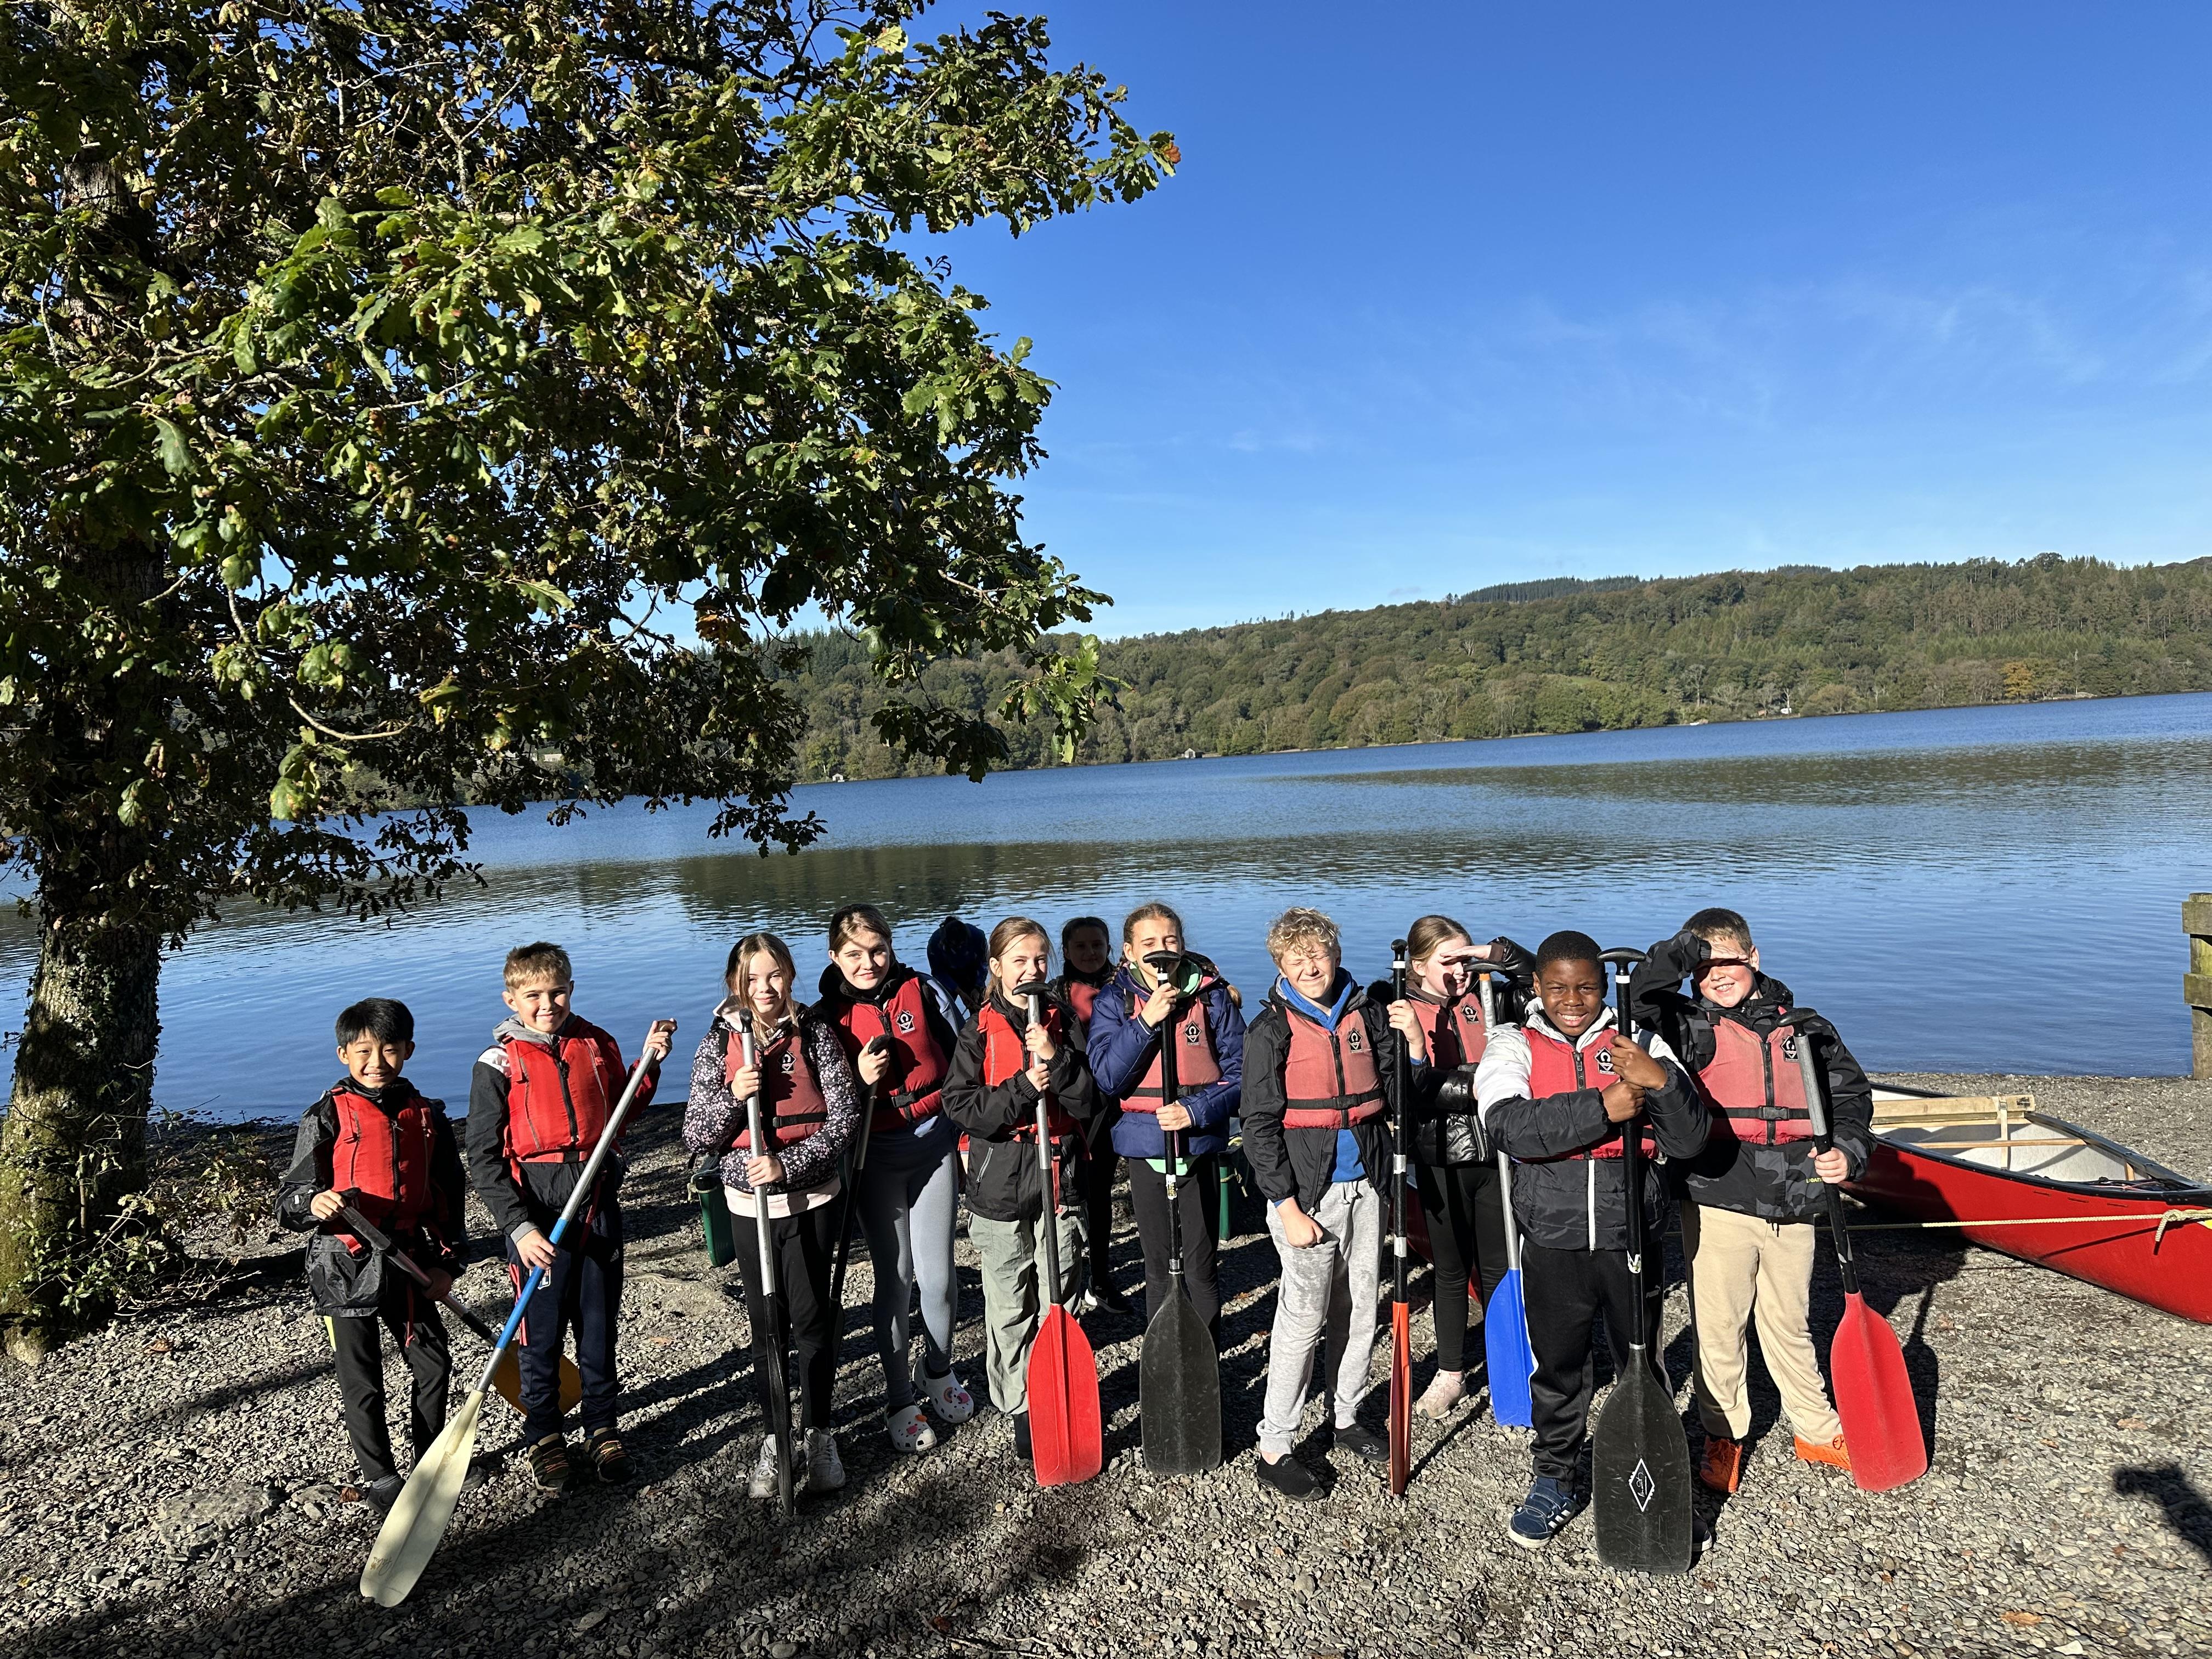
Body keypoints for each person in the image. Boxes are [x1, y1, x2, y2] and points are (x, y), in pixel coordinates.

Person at [1474, 929, 1707, 1548]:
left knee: (1643, 1363)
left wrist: (1661, 1083)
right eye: (1558, 988)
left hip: (1631, 1231)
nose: (1572, 1000)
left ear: (1603, 987)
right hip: (1553, 1237)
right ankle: (1556, 1476)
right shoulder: (1511, 1043)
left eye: (1585, 988)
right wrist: (1603, 1107)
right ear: (1537, 986)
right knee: (1559, 1368)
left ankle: (1656, 1474)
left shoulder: (1642, 1040)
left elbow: (1690, 1140)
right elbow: (1509, 1128)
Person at [1629, 909, 1874, 1492]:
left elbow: (1852, 1102)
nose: (1717, 975)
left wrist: (1848, 1152)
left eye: (1728, 962)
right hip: (1718, 1197)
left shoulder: (1809, 1028)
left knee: (1790, 1322)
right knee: (1720, 1327)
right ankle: (1724, 1433)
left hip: (1795, 1200)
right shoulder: (1684, 1025)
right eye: (1703, 966)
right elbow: (1637, 996)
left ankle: (1816, 1427)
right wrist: (1683, 951)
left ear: (1754, 958)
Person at [466, 942, 675, 1492]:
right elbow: (483, 1159)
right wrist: (519, 1228)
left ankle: (602, 1427)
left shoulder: (597, 1042)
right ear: (512, 999)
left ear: (571, 990)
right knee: (540, 1335)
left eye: (557, 992)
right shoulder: (497, 1063)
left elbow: (622, 1110)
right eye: (533, 995)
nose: (547, 1004)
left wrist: (649, 1064)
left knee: (598, 1326)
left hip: (596, 1204)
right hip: (537, 1216)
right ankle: (544, 1434)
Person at [1240, 907, 1426, 1501]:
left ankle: (1345, 1416)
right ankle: (1276, 1444)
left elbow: (1400, 1092)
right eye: (1296, 959)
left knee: (1360, 1310)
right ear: (1281, 965)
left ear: (1336, 954)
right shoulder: (1269, 1030)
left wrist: (1415, 1045)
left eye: (1317, 953)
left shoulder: (1369, 1014)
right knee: (1302, 1320)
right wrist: (1286, 1207)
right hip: (1307, 1196)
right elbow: (1258, 1126)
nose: (1309, 966)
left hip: (1368, 1186)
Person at [686, 931, 861, 1498]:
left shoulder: (816, 1033)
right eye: (752, 978)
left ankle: (818, 1432)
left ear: (789, 975)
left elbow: (844, 1119)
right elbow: (696, 1135)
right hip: (749, 1207)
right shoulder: (718, 1043)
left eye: (775, 975)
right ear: (735, 983)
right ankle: (774, 1436)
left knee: (811, 1321)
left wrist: (787, 1164)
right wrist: (734, 1095)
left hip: (811, 1200)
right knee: (767, 1328)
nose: (764, 988)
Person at [276, 997, 467, 1510]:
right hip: (344, 1263)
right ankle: (381, 1477)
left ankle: (429, 1461)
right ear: (344, 1054)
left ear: (409, 1050)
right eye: (363, 1051)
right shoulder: (326, 1115)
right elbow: (289, 1200)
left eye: (389, 1049)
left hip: (409, 1257)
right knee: (362, 1379)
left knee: (433, 1364)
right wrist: (312, 1202)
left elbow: (449, 1196)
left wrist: (448, 1263)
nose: (377, 1062)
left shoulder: (428, 1115)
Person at [811, 904, 976, 1454]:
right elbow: (823, 1106)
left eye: (878, 950)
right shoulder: (826, 1019)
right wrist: (858, 1080)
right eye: (854, 954)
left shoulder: (925, 991)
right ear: (835, 957)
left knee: (940, 1277)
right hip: (875, 1156)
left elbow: (965, 1059)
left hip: (933, 1146)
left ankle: (938, 1368)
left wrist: (966, 1136)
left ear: (891, 946)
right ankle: (900, 1398)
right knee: (897, 1277)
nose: (869, 962)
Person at [940, 916, 1100, 1458]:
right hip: (1000, 1186)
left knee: (1061, 1294)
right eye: (1019, 961)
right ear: (996, 967)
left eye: (1039, 959)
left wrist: (1055, 1060)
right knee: (1009, 1306)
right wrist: (1020, 1088)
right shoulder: (978, 1031)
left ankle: (1058, 1388)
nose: (1031, 970)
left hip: (1059, 1180)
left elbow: (1089, 1102)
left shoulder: (1063, 1022)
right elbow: (961, 1107)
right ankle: (1020, 1405)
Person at [1372, 917, 1533, 1420]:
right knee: (1449, 1268)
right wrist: (1468, 1079)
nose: (1460, 971)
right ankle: (1450, 1372)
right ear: (1418, 966)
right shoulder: (1395, 1008)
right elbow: (1407, 1093)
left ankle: (1510, 1363)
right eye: (1448, 962)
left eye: (1466, 959)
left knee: (1500, 1263)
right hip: (1440, 1154)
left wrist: (1490, 953)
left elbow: (1537, 977)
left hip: (1498, 1152)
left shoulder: (1491, 996)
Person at [1086, 902, 1245, 1339]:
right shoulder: (1114, 1001)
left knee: (1201, 1265)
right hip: (1146, 1147)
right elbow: (1107, 1077)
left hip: (1197, 1144)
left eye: (1170, 941)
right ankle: (1165, 1359)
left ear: (1182, 945)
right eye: (1149, 943)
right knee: (1158, 1268)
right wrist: (1145, 1022)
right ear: (1129, 952)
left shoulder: (1211, 996)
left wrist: (1196, 1110)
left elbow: (1242, 1073)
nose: (1161, 951)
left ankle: (1207, 1357)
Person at [1055, 916, 1128, 1314]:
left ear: (1109, 948)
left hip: (1112, 1107)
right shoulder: (1055, 995)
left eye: (1097, 945)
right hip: (1072, 1108)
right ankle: (1063, 1282)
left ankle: (1100, 1278)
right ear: (1066, 951)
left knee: (1100, 1196)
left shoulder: (1126, 987)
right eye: (1080, 947)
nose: (1090, 953)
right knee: (1068, 1197)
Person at [927, 915, 990, 1020]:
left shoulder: (977, 936)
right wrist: (960, 992)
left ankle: (980, 1025)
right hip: (948, 974)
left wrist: (978, 986)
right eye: (956, 946)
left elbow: (983, 963)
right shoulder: (935, 943)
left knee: (979, 1005)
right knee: (943, 1008)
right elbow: (938, 972)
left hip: (971, 971)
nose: (959, 948)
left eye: (962, 944)